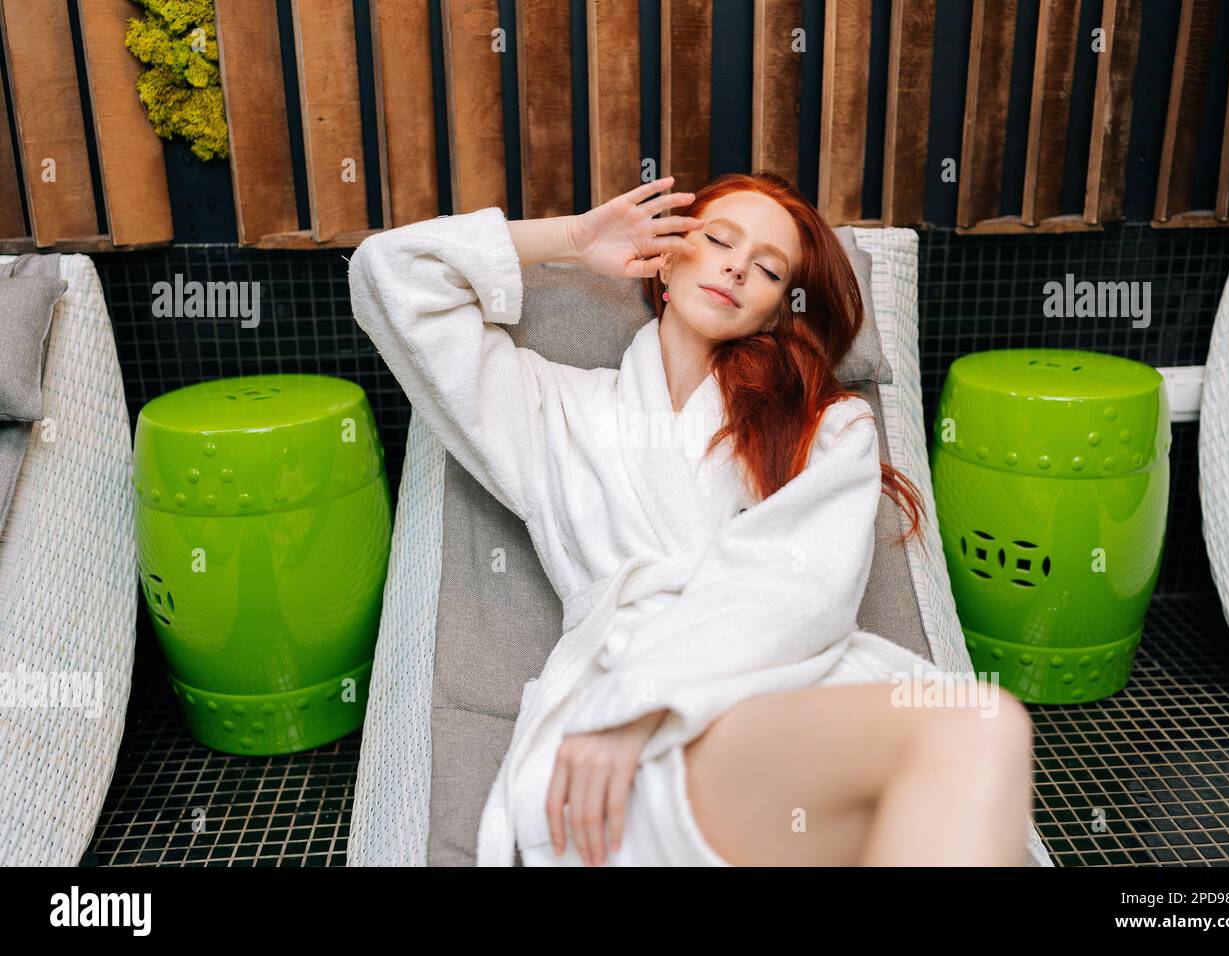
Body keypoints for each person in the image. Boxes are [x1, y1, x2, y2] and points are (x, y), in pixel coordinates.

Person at [349, 171, 1040, 867]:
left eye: (770, 269)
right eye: (716, 239)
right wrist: (574, 238)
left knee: (981, 727)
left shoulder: (828, 427)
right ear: (667, 259)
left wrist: (654, 695)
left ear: (776, 310)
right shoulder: (554, 411)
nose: (739, 265)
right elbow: (392, 273)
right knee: (981, 729)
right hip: (643, 732)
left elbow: (805, 588)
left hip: (790, 692)